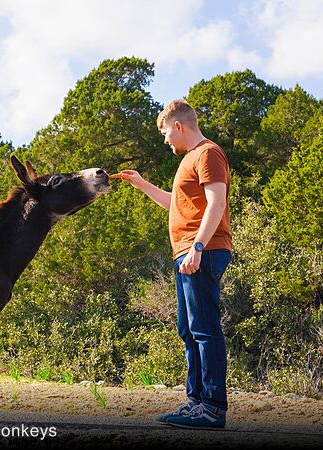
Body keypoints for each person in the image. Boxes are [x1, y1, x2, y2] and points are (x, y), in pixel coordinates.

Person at [112, 99, 232, 429]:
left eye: (165, 132)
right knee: (188, 328)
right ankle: (195, 403)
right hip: (188, 254)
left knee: (205, 329)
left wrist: (197, 247)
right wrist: (140, 183)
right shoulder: (190, 160)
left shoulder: (208, 153)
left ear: (178, 126)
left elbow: (216, 203)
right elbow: (175, 205)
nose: (165, 140)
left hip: (202, 252)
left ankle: (212, 407)